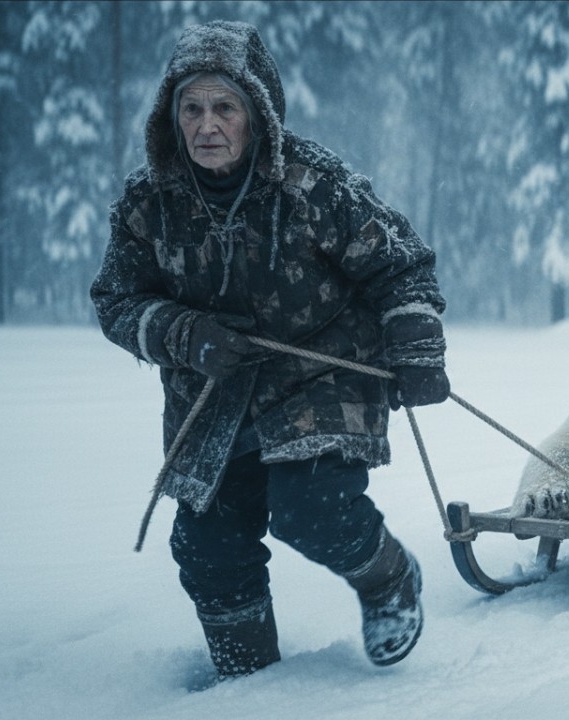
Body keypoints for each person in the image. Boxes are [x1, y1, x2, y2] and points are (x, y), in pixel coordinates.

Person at [91, 20, 449, 680]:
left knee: (312, 508)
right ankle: (250, 682)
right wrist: (180, 333)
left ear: (257, 113)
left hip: (322, 370)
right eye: (191, 108)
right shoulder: (149, 203)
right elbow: (114, 300)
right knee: (206, 543)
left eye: (224, 107)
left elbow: (402, 263)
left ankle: (388, 577)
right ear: (170, 117)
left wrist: (417, 346)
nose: (207, 125)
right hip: (211, 390)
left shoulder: (315, 185)